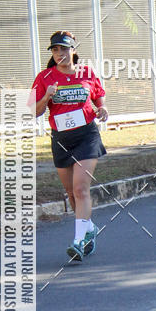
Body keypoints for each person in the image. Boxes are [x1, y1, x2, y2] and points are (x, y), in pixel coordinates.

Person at [31, 30, 108, 261]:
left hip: (86, 135)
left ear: (73, 50)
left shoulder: (87, 72)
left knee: (80, 189)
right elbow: (32, 111)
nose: (60, 53)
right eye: (55, 49)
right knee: (70, 193)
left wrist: (103, 109)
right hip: (61, 138)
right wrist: (46, 97)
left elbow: (98, 98)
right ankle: (89, 229)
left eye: (64, 49)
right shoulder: (44, 77)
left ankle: (78, 241)